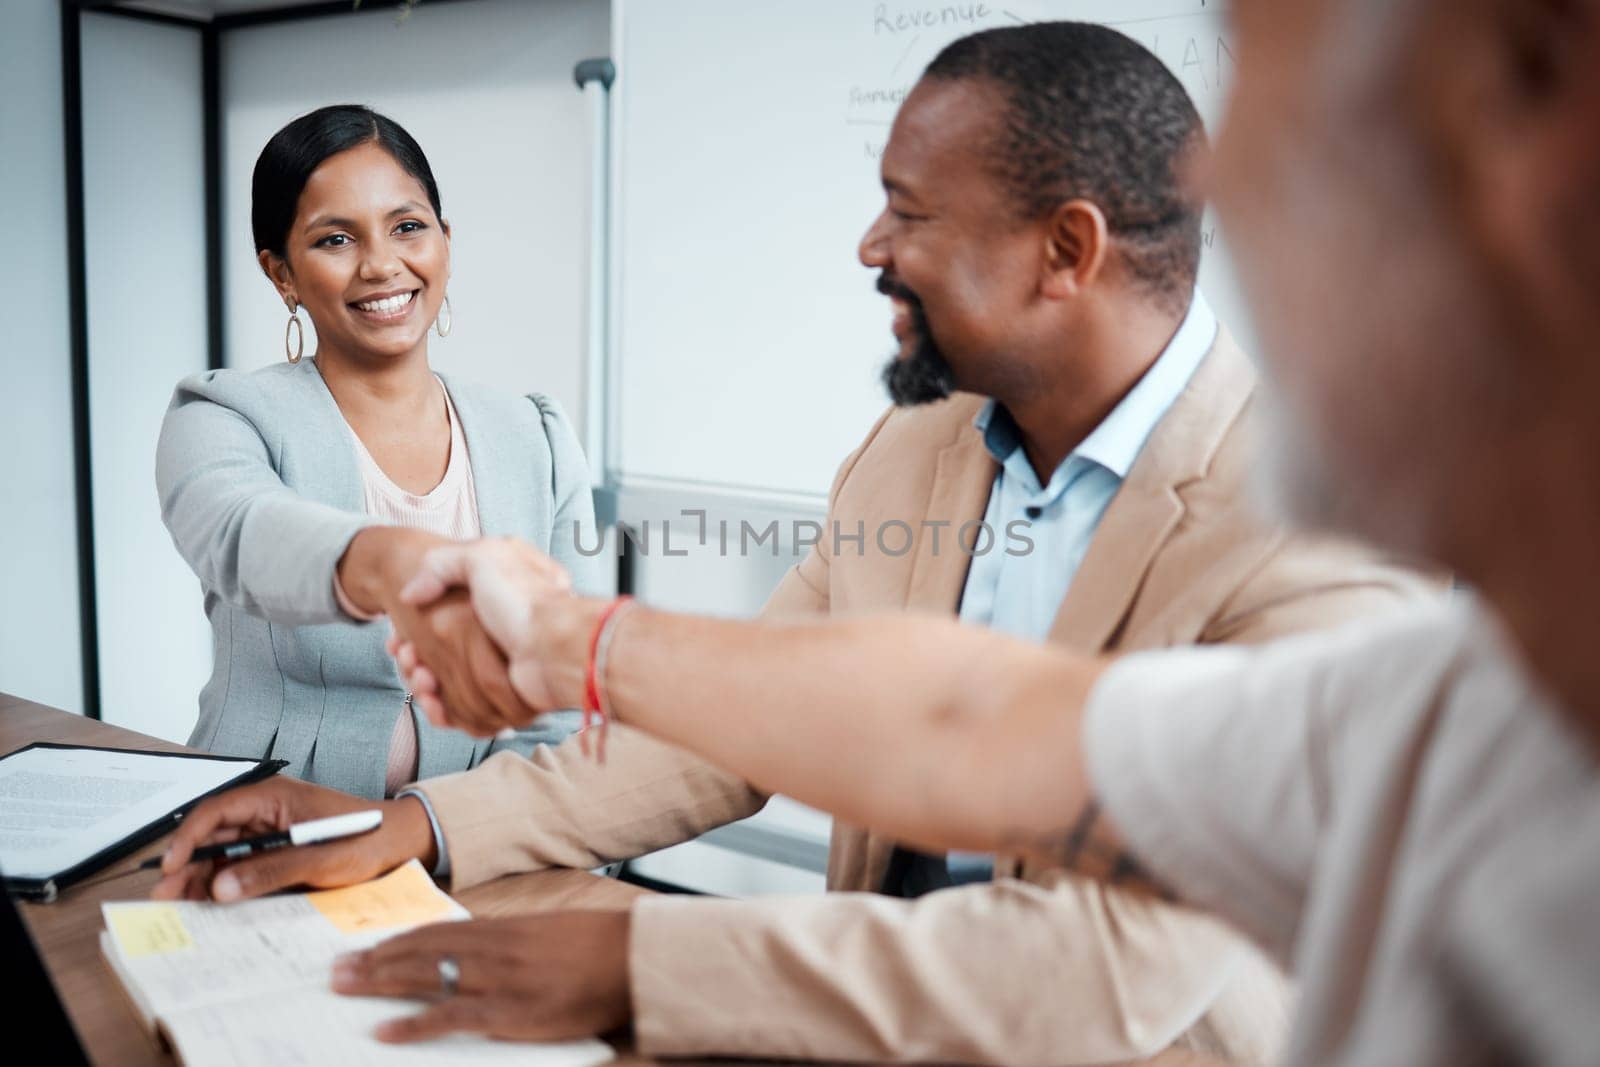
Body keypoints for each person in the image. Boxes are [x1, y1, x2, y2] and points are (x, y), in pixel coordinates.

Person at [348, 0, 1600, 1063]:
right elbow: (867, 721)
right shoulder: (909, 452)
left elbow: (1116, 965)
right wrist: (430, 822)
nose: (869, 246)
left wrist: (639, 958)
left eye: (908, 210)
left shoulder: (1318, 534)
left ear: (1067, 252)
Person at [155, 105, 601, 800]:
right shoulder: (222, 416)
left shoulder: (535, 434)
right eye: (336, 239)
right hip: (264, 827)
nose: (382, 264)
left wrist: (496, 842)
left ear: (445, 242)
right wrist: (402, 563)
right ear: (282, 274)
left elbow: (568, 696)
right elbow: (247, 536)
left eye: (408, 227)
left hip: (477, 851)